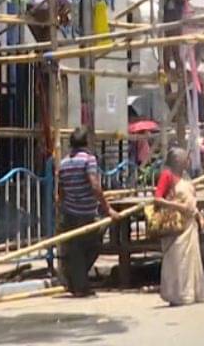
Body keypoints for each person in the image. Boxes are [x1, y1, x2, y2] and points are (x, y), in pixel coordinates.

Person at [58, 126, 115, 297]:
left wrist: (62, 207)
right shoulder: (89, 160)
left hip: (69, 213)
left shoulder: (63, 163)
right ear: (86, 142)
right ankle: (80, 286)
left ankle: (76, 283)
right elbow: (95, 186)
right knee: (93, 245)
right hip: (86, 213)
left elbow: (60, 192)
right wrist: (108, 208)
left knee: (76, 250)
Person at [155, 148, 204, 307]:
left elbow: (191, 203)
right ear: (177, 160)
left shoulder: (186, 177)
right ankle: (176, 295)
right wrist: (179, 206)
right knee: (177, 259)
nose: (188, 162)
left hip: (190, 224)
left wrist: (200, 218)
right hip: (175, 225)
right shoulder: (167, 175)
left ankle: (190, 293)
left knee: (190, 260)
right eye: (186, 159)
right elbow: (157, 199)